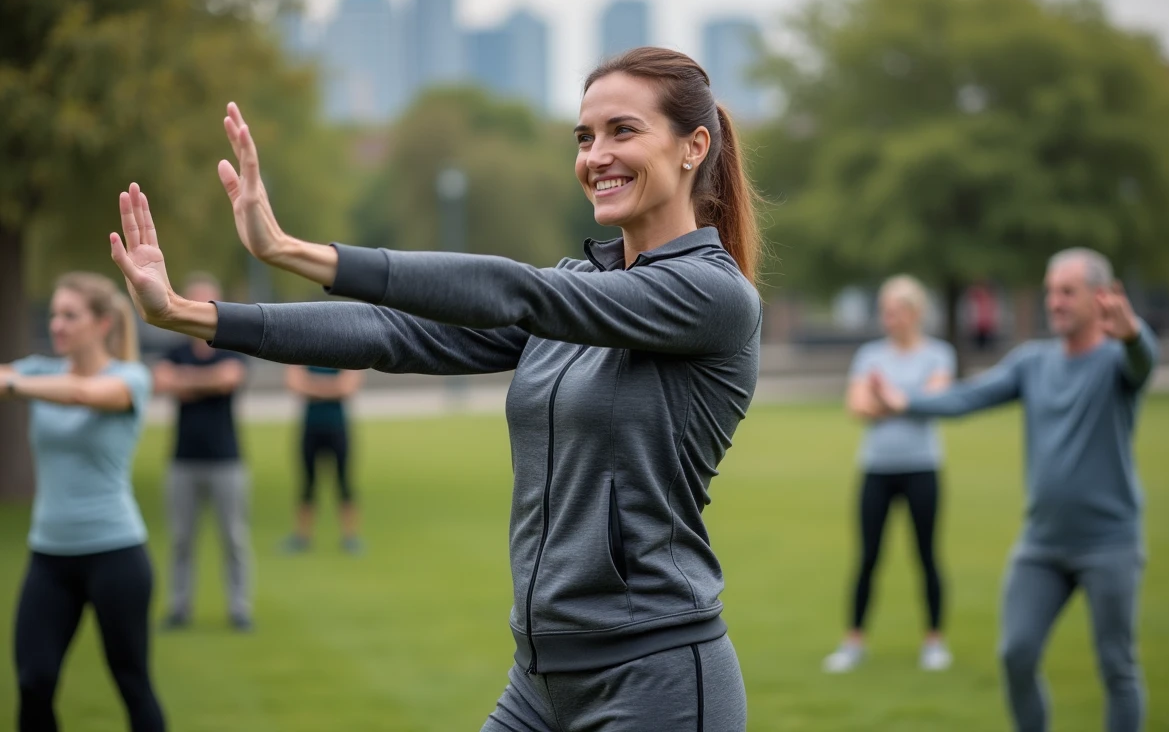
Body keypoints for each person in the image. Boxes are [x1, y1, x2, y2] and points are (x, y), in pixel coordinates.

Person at [111, 46, 763, 731]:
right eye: (584, 137)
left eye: (622, 131)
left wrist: (291, 251)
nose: (595, 155)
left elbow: (518, 291)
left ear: (693, 147)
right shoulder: (581, 295)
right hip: (541, 682)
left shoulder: (711, 296)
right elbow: (391, 335)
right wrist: (193, 315)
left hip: (655, 680)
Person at [869, 248, 1156, 732]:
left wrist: (1133, 334)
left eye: (1067, 291)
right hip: (1042, 545)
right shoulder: (1033, 363)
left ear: (1101, 297)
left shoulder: (1116, 363)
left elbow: (1143, 359)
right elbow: (967, 397)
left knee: (1117, 666)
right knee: (1016, 654)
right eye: (1050, 290)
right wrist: (905, 401)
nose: (1055, 301)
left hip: (1110, 543)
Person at [3, 272, 166, 731]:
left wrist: (13, 386)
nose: (57, 324)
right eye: (53, 314)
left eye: (69, 315)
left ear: (101, 324)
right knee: (34, 681)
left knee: (132, 682)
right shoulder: (39, 370)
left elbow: (82, 395)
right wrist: (16, 379)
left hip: (115, 554)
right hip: (49, 558)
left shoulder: (131, 378)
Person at [823, 275, 956, 674]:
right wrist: (899, 402)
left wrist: (888, 397)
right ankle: (853, 642)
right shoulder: (870, 356)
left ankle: (934, 641)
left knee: (927, 556)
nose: (888, 318)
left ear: (915, 314)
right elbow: (857, 407)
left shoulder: (939, 354)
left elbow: (938, 401)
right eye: (884, 311)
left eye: (895, 311)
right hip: (877, 470)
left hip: (922, 468)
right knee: (868, 558)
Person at [153, 274, 253, 632]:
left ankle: (240, 608)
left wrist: (186, 382)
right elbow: (162, 381)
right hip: (183, 460)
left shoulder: (234, 349)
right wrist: (204, 382)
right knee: (181, 540)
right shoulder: (174, 352)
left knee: (234, 538)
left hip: (227, 460)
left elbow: (230, 377)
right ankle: (179, 607)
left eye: (208, 304)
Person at [282, 364, 365, 553]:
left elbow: (349, 386)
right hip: (311, 428)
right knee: (307, 484)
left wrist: (312, 387)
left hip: (338, 428)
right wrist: (332, 387)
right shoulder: (303, 349)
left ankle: (350, 538)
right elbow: (293, 383)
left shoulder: (345, 349)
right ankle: (302, 537)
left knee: (345, 483)